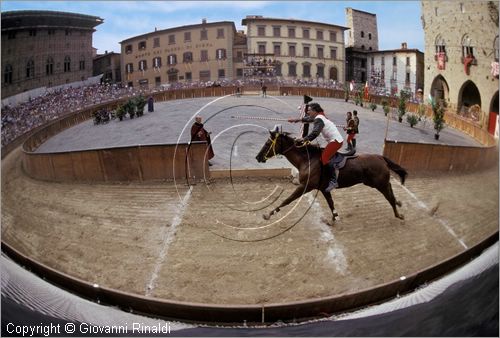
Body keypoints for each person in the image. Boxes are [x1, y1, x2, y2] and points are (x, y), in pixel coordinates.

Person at [288, 103, 344, 192]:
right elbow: (309, 119)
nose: (308, 112)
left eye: (309, 110)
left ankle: (333, 181)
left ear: (314, 111)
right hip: (333, 140)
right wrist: (296, 120)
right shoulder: (320, 116)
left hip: (336, 141)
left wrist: (304, 139)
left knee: (324, 158)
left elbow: (315, 133)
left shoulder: (319, 119)